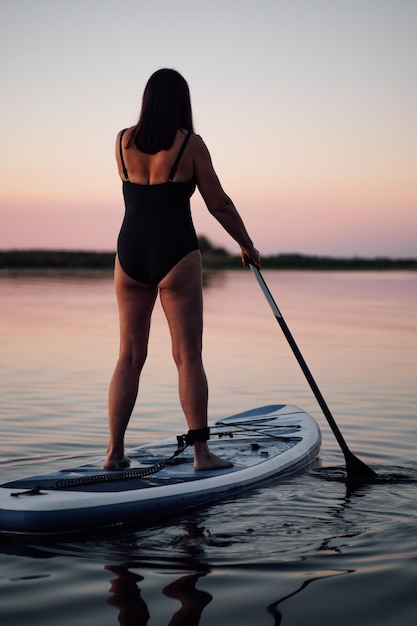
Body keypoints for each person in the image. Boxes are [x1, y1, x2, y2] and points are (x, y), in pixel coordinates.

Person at [104, 68, 260, 471]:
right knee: (188, 356)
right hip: (176, 253)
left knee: (129, 355)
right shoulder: (191, 145)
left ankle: (114, 453)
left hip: (130, 253)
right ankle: (201, 454)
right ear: (182, 102)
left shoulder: (122, 141)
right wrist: (245, 243)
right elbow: (219, 203)